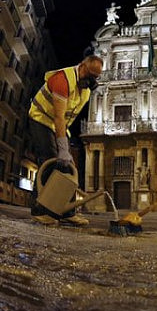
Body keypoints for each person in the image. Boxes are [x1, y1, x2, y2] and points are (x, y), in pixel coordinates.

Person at [28, 55, 103, 226]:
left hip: (59, 125)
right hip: (41, 118)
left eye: (96, 78)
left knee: (69, 168)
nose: (92, 81)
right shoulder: (62, 80)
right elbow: (59, 117)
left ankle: (67, 211)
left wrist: (64, 145)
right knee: (49, 159)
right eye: (90, 75)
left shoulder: (86, 89)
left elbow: (65, 119)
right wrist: (62, 147)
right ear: (82, 66)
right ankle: (38, 210)